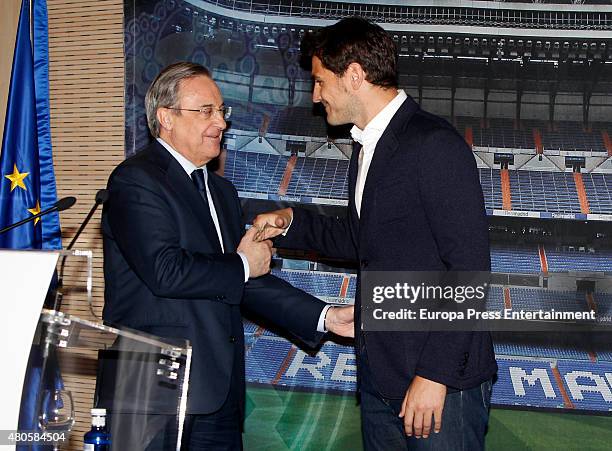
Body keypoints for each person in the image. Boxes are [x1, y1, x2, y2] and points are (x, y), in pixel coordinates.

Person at [253, 17, 497, 450]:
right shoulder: (367, 147)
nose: (315, 96)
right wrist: (292, 221)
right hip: (381, 378)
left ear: (353, 76)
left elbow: (470, 269)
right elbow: (359, 241)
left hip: (439, 384)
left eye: (320, 81)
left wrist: (434, 374)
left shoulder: (432, 144)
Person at [101, 61, 354, 450]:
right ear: (165, 117)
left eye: (222, 111)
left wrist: (323, 316)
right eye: (206, 111)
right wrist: (242, 264)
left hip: (219, 397)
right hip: (154, 397)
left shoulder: (221, 192)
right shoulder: (136, 181)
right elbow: (165, 271)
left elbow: (241, 280)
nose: (220, 122)